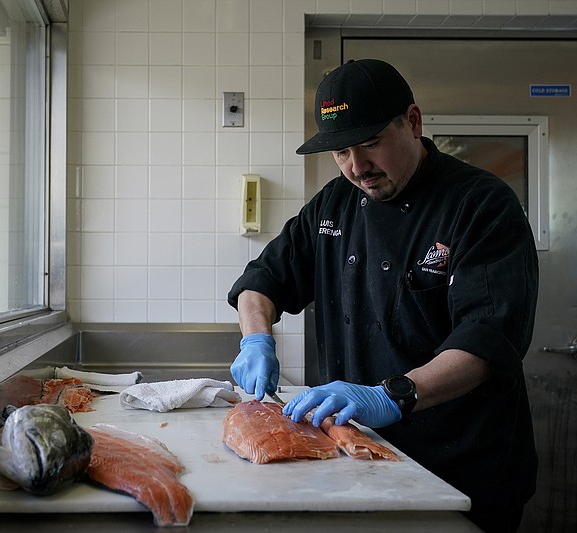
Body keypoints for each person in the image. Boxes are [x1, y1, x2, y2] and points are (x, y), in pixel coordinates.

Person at [228, 58, 538, 532]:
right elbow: (260, 280)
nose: (357, 168)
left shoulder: (481, 204)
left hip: (464, 469)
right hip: (355, 460)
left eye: (370, 144)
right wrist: (255, 339)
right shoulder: (334, 203)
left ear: (412, 122)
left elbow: (487, 339)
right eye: (340, 153)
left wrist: (393, 395)